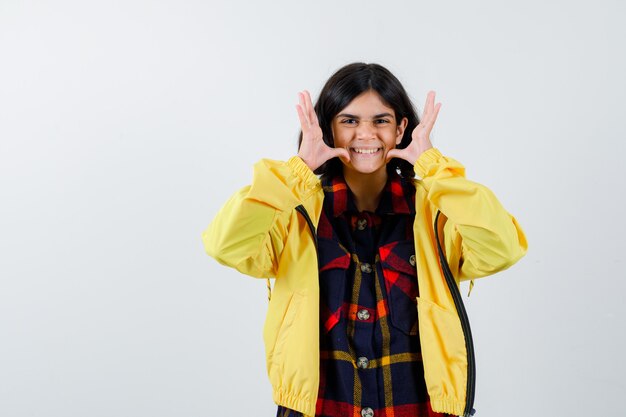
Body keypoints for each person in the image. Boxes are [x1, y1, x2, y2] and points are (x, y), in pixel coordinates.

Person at [201, 62, 528, 417]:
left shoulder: (434, 213)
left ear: (402, 128)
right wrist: (297, 170)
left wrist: (433, 167)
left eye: (381, 121)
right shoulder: (293, 214)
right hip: (320, 409)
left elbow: (503, 247)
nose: (366, 134)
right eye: (350, 121)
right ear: (329, 130)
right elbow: (225, 243)